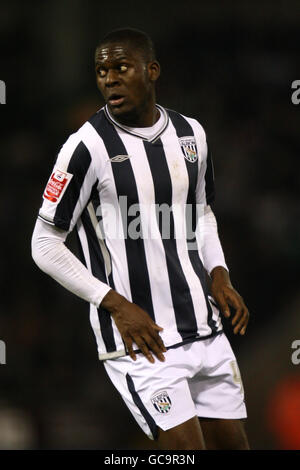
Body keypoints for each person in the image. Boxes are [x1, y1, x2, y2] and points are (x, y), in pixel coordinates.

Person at [31, 27, 250, 450]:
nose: (109, 78)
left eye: (121, 67)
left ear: (151, 71)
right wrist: (115, 304)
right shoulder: (85, 148)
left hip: (204, 327)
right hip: (142, 340)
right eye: (101, 70)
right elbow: (43, 243)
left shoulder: (191, 134)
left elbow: (201, 213)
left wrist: (219, 274)